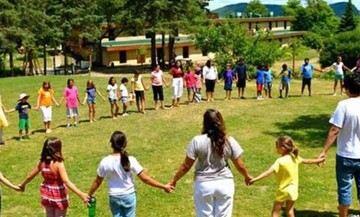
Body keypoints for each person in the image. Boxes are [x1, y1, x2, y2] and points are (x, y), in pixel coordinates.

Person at [169, 109, 252, 217]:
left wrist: (174, 180)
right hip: (225, 184)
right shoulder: (229, 140)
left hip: (203, 185)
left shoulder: (197, 141)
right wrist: (246, 176)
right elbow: (239, 164)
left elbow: (186, 166)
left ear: (205, 123)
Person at [87, 131, 173, 217]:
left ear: (111, 144)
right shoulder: (130, 160)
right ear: (125, 144)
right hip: (129, 195)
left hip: (114, 196)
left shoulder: (105, 161)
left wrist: (88, 195)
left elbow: (98, 181)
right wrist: (163, 186)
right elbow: (145, 179)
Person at [317, 73, 360, 217]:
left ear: (346, 88)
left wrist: (324, 151)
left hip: (345, 155)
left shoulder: (343, 105)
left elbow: (335, 130)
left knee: (344, 189)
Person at [249, 136, 325, 217]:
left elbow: (268, 172)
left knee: (275, 213)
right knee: (290, 212)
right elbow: (307, 161)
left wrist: (255, 179)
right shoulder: (294, 157)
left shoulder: (280, 161)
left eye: (277, 146)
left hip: (283, 191)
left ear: (283, 148)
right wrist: (319, 160)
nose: (276, 148)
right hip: (293, 190)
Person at [19, 137, 89, 217]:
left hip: (47, 193)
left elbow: (30, 176)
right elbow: (66, 181)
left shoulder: (42, 162)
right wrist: (81, 194)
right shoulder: (58, 163)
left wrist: (23, 185)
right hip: (58, 194)